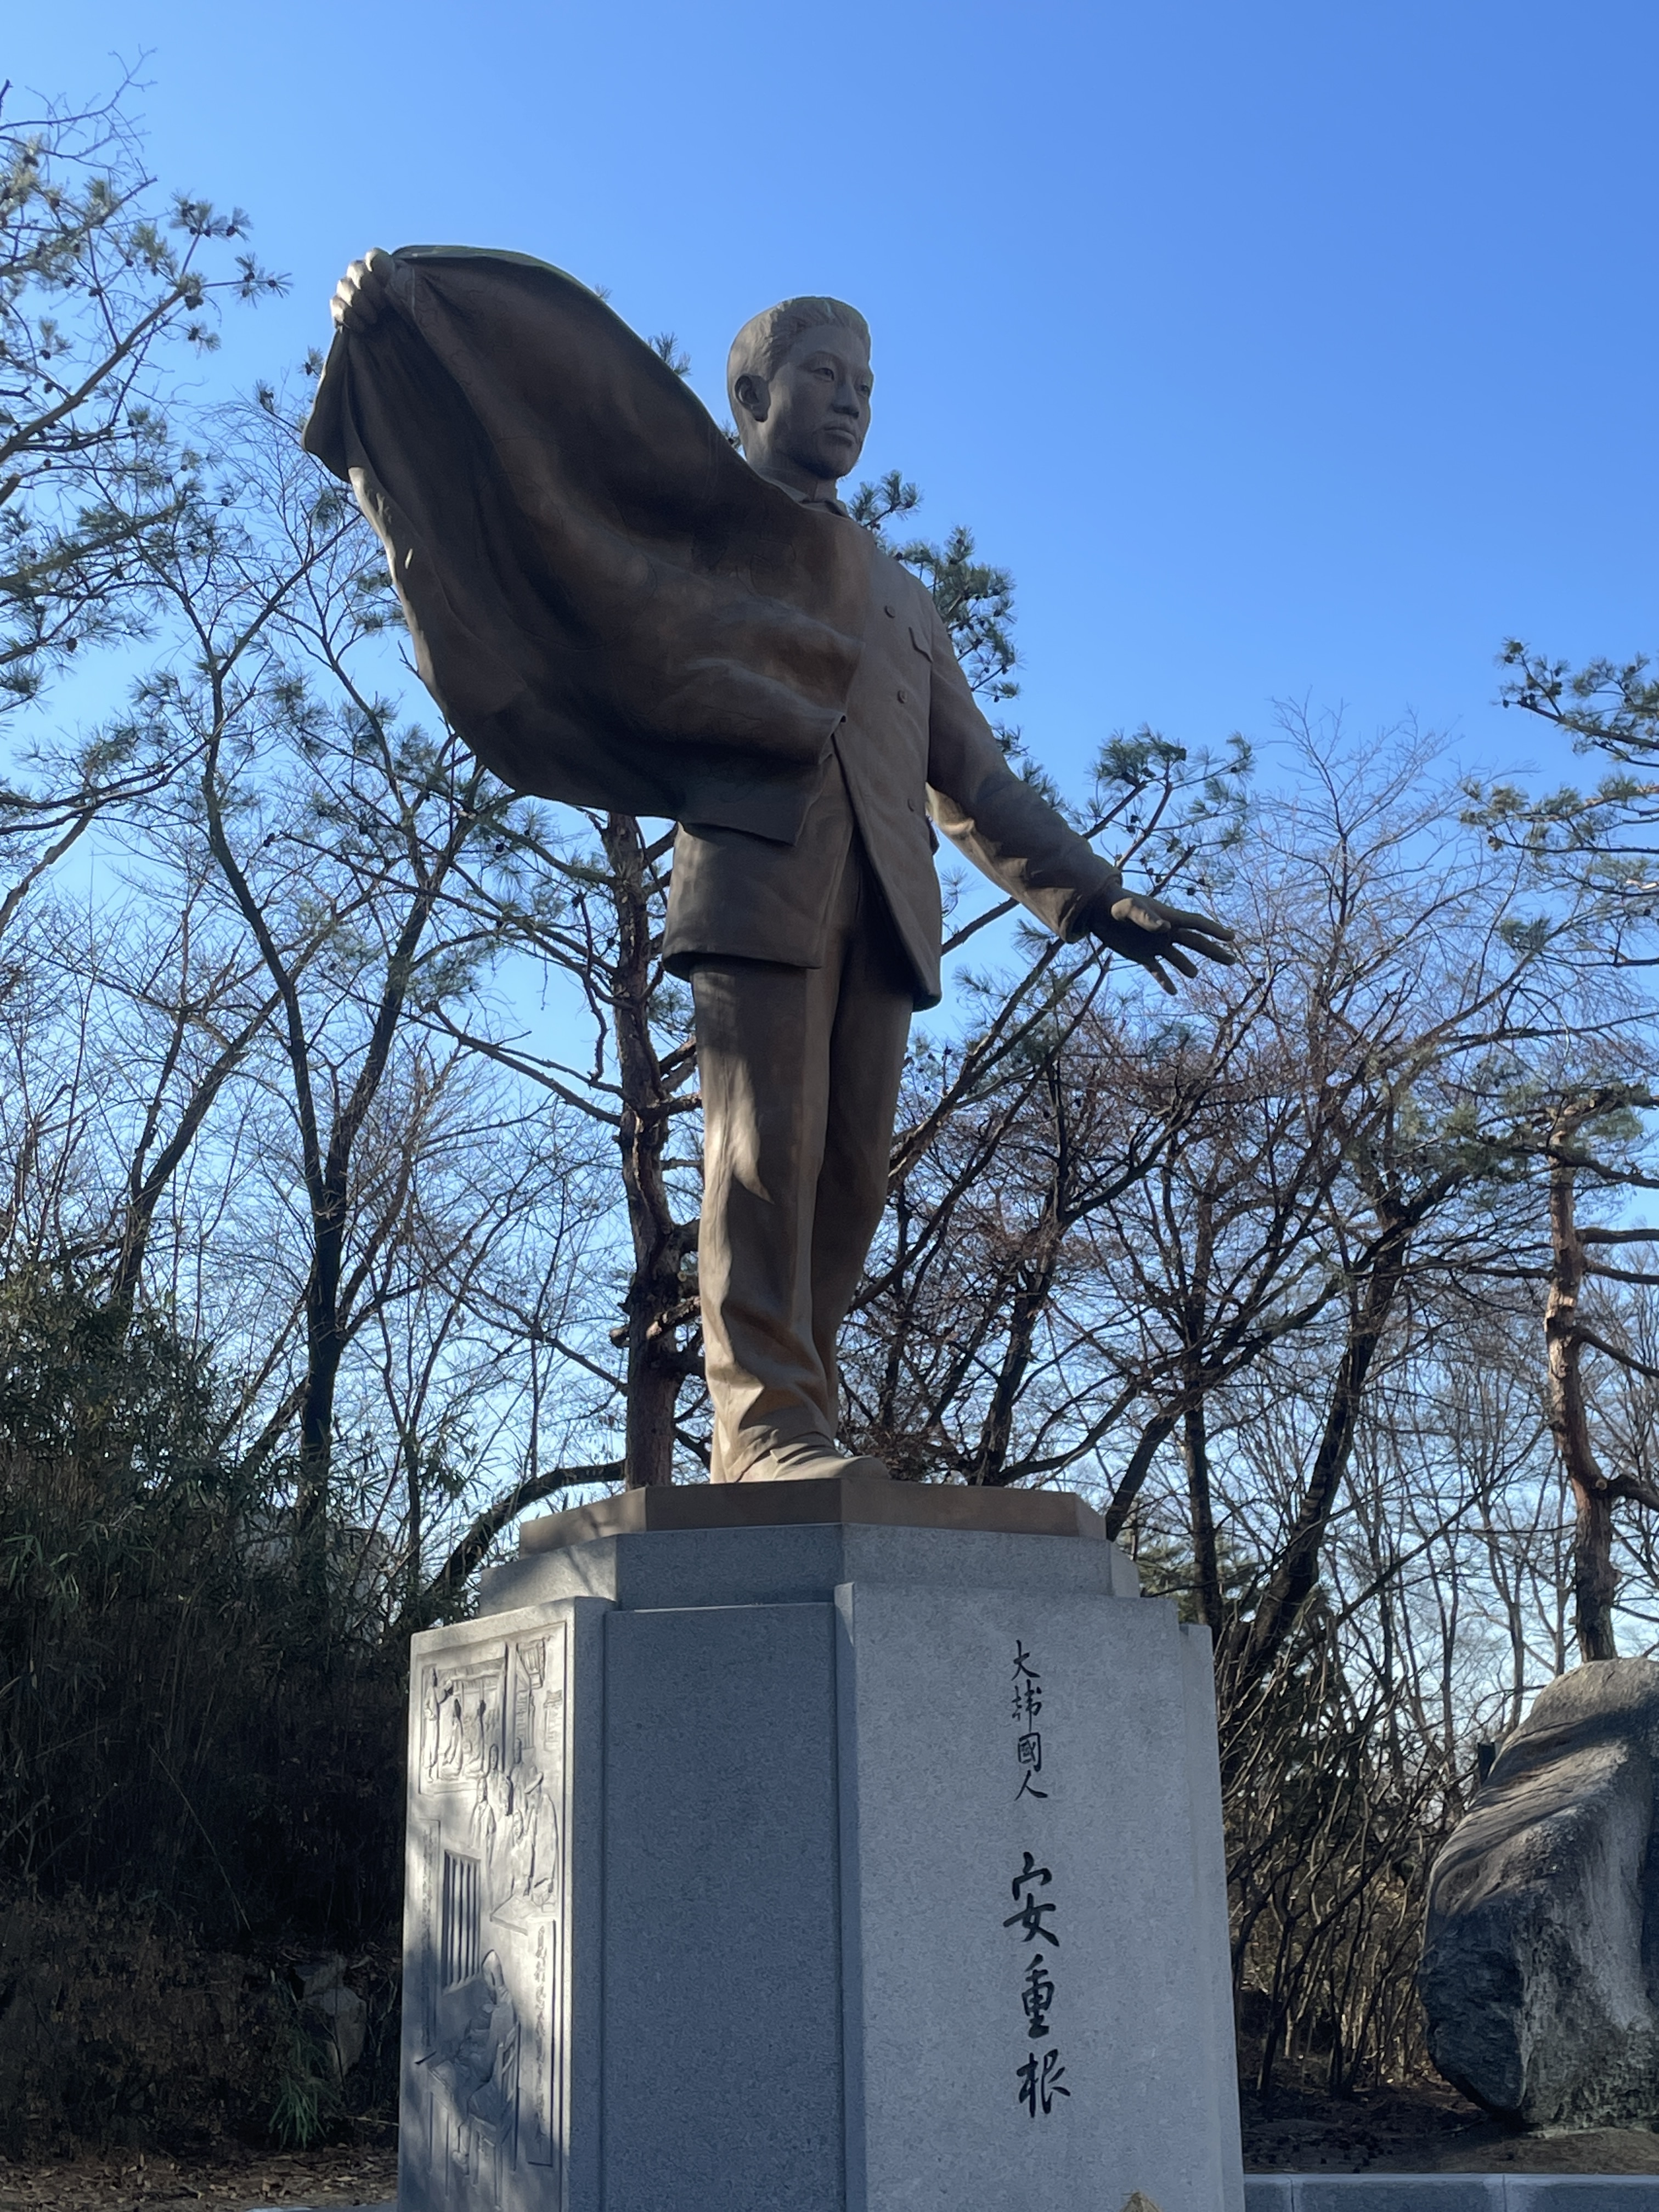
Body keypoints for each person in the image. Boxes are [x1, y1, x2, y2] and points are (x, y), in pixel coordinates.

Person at [327, 257, 1236, 1483]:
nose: (852, 400)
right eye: (823, 375)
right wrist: (406, 327)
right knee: (764, 1154)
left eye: (867, 383)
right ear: (753, 400)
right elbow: (550, 511)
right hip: (758, 880)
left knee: (850, 1178)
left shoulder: (907, 599)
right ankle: (760, 1423)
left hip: (886, 904)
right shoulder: (705, 532)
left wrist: (1091, 892)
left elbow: (977, 779)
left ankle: (805, 1409)